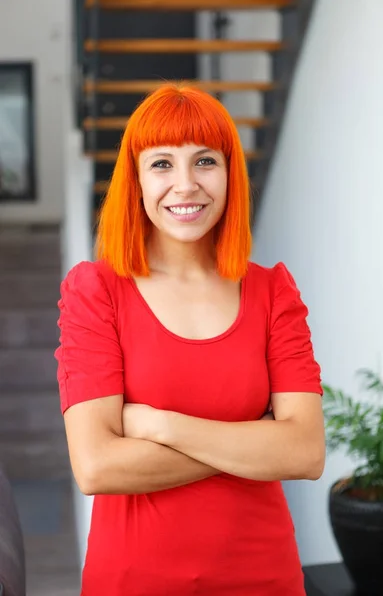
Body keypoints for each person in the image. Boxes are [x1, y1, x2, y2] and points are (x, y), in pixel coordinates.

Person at [55, 83, 325, 596]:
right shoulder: (97, 292)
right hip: (134, 581)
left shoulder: (273, 291)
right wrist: (253, 441)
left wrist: (157, 424)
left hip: (263, 576)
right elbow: (96, 465)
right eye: (161, 164)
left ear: (229, 174)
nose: (185, 185)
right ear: (135, 179)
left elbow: (304, 452)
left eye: (204, 162)